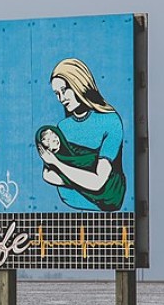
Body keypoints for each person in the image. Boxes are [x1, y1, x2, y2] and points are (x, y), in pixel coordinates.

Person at [35, 58, 126, 211]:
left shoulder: (110, 121)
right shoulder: (62, 127)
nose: (61, 98)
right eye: (57, 94)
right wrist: (84, 178)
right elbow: (47, 175)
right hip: (71, 206)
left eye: (64, 90)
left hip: (106, 204)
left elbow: (98, 183)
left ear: (79, 83)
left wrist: (58, 165)